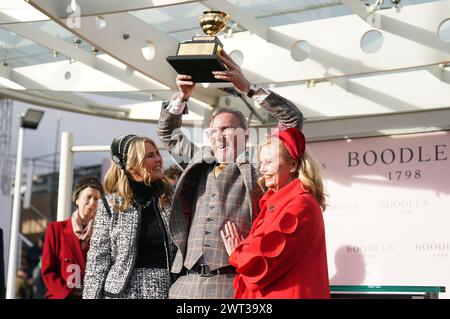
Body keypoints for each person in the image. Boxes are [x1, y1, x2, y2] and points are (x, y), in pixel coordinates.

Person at [157, 50, 304, 299]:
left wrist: (248, 87)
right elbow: (167, 134)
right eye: (213, 132)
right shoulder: (198, 161)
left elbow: (292, 120)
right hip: (185, 284)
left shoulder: (260, 164)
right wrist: (181, 97)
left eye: (226, 129)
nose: (219, 137)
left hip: (232, 282)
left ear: (245, 135)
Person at [221, 128, 330, 298]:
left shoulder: (301, 204)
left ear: (293, 165)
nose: (262, 169)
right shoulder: (276, 202)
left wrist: (238, 253)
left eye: (269, 162)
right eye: (261, 163)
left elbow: (261, 261)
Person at [83, 135, 175, 299]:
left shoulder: (171, 199)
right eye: (150, 156)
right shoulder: (110, 205)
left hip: (166, 290)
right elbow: (97, 261)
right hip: (121, 293)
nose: (159, 160)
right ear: (132, 166)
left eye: (156, 153)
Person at [41, 176, 103, 299]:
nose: (92, 203)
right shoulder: (55, 229)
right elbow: (48, 272)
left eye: (96, 199)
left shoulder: (101, 233)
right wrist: (66, 295)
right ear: (77, 199)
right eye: (88, 197)